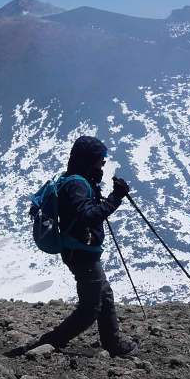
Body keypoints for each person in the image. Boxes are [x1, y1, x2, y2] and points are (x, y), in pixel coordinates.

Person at [32, 136, 137, 357]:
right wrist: (116, 197)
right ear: (89, 160)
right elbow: (88, 216)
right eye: (101, 159)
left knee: (105, 295)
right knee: (91, 308)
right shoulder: (78, 184)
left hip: (79, 251)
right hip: (82, 254)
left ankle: (114, 344)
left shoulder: (74, 179)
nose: (103, 163)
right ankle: (52, 340)